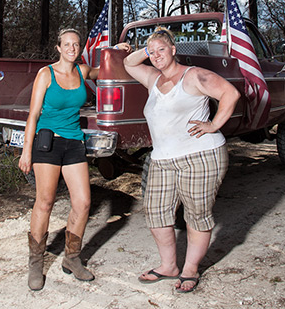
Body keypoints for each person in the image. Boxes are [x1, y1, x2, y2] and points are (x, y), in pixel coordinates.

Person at [123, 27, 240, 293]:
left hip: (200, 156)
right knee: (155, 213)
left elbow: (230, 94)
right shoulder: (153, 79)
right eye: (151, 53)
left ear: (174, 50)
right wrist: (150, 46)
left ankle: (190, 269)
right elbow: (129, 63)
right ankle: (168, 266)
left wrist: (213, 124)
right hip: (162, 160)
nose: (155, 56)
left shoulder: (193, 75)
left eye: (162, 50)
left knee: (196, 216)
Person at [19, 28, 130, 290]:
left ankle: (71, 258)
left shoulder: (82, 71)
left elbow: (106, 69)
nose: (72, 48)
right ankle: (36, 263)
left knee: (83, 202)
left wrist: (117, 50)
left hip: (74, 143)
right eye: (67, 44)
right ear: (58, 48)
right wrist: (26, 151)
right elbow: (33, 115)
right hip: (48, 143)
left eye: (76, 44)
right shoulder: (45, 74)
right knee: (45, 202)